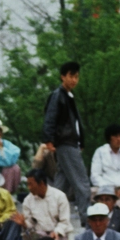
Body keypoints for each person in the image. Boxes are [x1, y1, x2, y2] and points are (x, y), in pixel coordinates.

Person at [42, 61, 90, 223]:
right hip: (66, 142)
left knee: (61, 182)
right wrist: (49, 139)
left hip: (71, 142)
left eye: (76, 76)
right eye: (71, 76)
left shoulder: (68, 96)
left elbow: (75, 123)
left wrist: (80, 141)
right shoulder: (58, 95)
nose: (74, 80)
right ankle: (86, 218)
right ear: (63, 77)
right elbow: (50, 118)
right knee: (82, 182)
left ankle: (48, 212)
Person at [12, 169, 73, 240]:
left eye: (31, 184)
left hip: (58, 234)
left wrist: (57, 232)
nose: (29, 188)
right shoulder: (28, 200)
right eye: (28, 184)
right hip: (39, 235)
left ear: (41, 183)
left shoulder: (60, 196)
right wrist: (24, 223)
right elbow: (30, 223)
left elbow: (64, 221)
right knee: (35, 239)